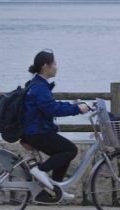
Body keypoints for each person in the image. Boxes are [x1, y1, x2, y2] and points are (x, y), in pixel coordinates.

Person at [22, 49, 90, 200]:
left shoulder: (38, 84)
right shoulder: (39, 87)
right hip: (37, 132)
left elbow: (50, 105)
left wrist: (73, 106)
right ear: (46, 66)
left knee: (63, 153)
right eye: (55, 63)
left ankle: (55, 189)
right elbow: (51, 109)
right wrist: (77, 109)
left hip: (35, 131)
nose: (56, 67)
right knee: (70, 150)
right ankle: (39, 171)